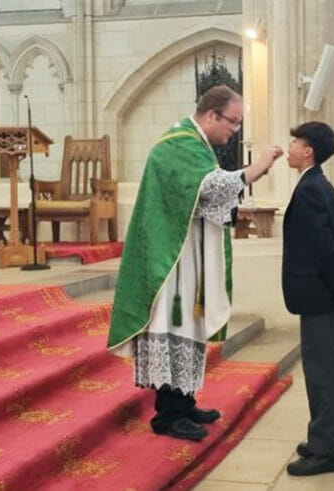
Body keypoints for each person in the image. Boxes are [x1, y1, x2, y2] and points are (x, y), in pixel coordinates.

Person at [107, 85, 282, 441]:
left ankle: (184, 403)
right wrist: (257, 168)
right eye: (233, 122)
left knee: (189, 328)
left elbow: (202, 198)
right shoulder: (178, 144)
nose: (235, 130)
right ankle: (168, 416)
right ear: (211, 115)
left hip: (186, 257)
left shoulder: (195, 145)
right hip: (169, 261)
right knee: (175, 328)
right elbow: (210, 187)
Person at [282, 122, 334, 477]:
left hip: (317, 294)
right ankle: (327, 441)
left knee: (322, 373)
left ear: (308, 150)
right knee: (322, 370)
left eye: (296, 142)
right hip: (321, 292)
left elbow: (327, 244)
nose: (291, 146)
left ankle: (325, 450)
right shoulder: (318, 184)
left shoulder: (312, 188)